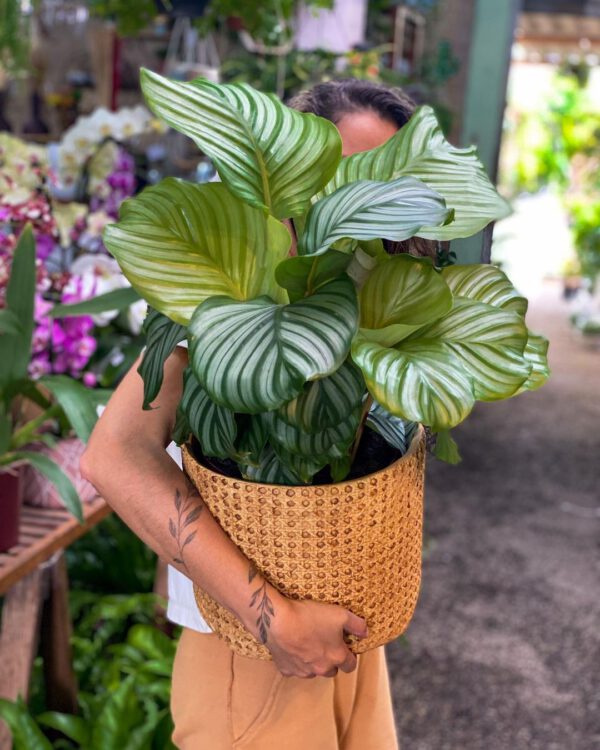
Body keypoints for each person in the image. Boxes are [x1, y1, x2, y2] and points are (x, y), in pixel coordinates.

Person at [81, 79, 431, 750]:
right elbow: (116, 453)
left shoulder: (380, 297)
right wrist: (274, 618)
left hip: (352, 642)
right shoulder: (234, 295)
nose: (364, 208)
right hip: (252, 654)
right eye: (341, 179)